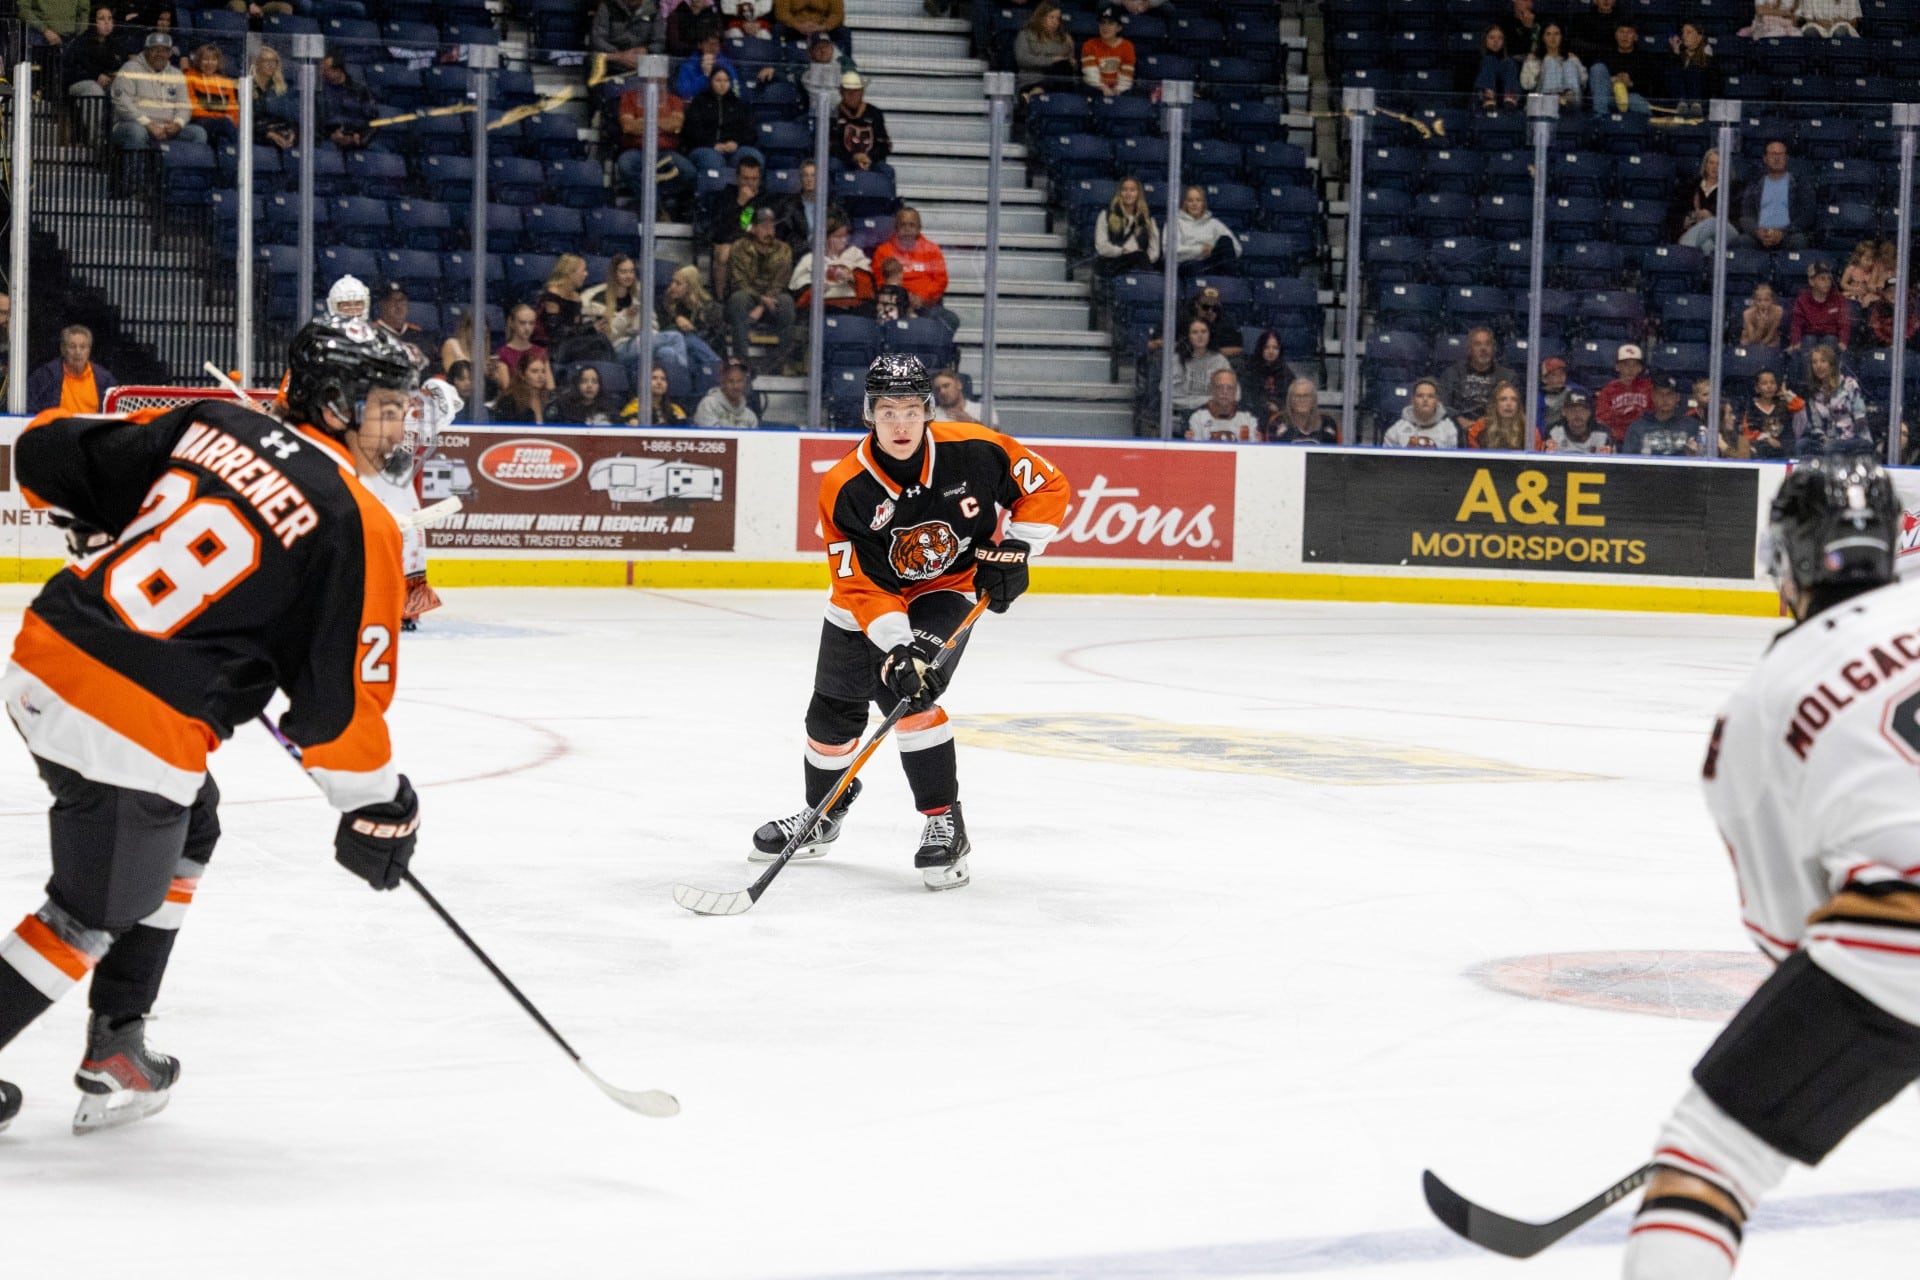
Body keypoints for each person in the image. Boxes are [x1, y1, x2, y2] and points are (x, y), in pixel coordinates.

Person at [0, 318, 422, 1136]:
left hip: (49, 653)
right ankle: (106, 1036)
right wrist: (379, 801)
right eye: (384, 408)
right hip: (129, 720)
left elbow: (51, 456)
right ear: (335, 405)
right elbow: (337, 712)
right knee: (92, 911)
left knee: (194, 826)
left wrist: (99, 523)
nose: (398, 427)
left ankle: (117, 1042)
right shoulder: (358, 522)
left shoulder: (219, 422)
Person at [1613, 456, 1920, 1280]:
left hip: (1904, 937)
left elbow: (1790, 932)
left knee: (1708, 1160)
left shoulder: (1757, 707)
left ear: (1785, 560)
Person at [752, 353, 1070, 892]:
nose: (899, 424)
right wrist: (895, 644)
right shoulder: (845, 485)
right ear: (868, 415)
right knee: (830, 717)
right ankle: (822, 813)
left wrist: (1017, 546)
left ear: (927, 410)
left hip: (947, 589)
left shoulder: (975, 447)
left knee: (913, 694)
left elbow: (1048, 485)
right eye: (886, 411)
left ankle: (944, 822)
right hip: (868, 602)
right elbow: (860, 583)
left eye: (909, 410)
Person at [368, 370, 458, 631]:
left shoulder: (414, 415)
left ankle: (402, 607)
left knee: (410, 537)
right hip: (378, 479)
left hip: (394, 480)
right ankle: (393, 605)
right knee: (401, 538)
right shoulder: (394, 409)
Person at [726, 207, 799, 372]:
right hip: (749, 295)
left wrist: (762, 304)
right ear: (753, 228)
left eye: (771, 226)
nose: (769, 231)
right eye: (764, 226)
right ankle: (741, 359)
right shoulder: (739, 247)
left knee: (786, 302)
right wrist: (760, 299)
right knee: (738, 299)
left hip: (772, 298)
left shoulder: (784, 249)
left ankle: (782, 361)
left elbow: (780, 282)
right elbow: (738, 281)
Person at [109, 33, 204, 152]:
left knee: (197, 133)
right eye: (155, 50)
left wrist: (177, 123)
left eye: (164, 50)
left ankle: (178, 171)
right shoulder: (130, 69)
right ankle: (137, 171)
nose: (159, 54)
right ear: (146, 51)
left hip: (167, 128)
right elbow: (122, 103)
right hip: (134, 125)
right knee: (137, 132)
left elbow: (185, 106)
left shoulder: (176, 74)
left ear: (170, 53)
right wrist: (148, 124)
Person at [871, 207, 959, 334]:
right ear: (896, 228)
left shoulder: (931, 250)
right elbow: (878, 281)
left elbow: (941, 281)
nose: (907, 229)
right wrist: (903, 297)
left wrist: (922, 298)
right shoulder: (883, 251)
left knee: (950, 319)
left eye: (912, 225)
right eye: (903, 225)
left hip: (925, 305)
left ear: (919, 228)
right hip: (894, 304)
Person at [614, 81, 692, 220]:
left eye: (660, 78)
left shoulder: (674, 100)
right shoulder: (630, 98)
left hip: (665, 152)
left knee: (688, 171)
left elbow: (676, 125)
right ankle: (659, 209)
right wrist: (663, 123)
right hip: (637, 150)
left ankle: (652, 201)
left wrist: (644, 121)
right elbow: (628, 127)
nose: (656, 81)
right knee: (625, 164)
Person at [655, 263, 727, 394]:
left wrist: (690, 331)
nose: (672, 287)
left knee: (688, 339)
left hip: (702, 356)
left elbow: (714, 341)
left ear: (690, 286)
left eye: (678, 283)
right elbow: (663, 335)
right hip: (683, 357)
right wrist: (676, 319)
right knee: (670, 348)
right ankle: (718, 367)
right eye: (672, 282)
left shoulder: (711, 308)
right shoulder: (666, 305)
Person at [1734, 139, 1816, 251]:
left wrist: (1782, 233)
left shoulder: (1799, 183)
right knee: (1743, 241)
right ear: (1765, 159)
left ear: (1786, 159)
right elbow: (1746, 215)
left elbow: (1807, 215)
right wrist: (1758, 232)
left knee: (1799, 241)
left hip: (1788, 235)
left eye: (1780, 154)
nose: (1777, 158)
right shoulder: (1755, 183)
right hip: (1761, 234)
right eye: (1773, 154)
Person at [708, 154, 768, 301]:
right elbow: (718, 232)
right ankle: (721, 300)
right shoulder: (726, 196)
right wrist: (739, 203)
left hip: (757, 242)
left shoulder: (765, 199)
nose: (750, 183)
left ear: (759, 180)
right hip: (730, 241)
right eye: (745, 178)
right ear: (737, 178)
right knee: (724, 253)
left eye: (754, 179)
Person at [1437, 326, 1518, 436]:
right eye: (1478, 344)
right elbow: (1442, 404)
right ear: (1469, 349)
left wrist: (1484, 425)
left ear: (1493, 348)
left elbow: (1514, 408)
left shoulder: (1507, 376)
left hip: (1495, 431)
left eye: (1487, 344)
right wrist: (1460, 420)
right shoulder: (1452, 373)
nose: (1483, 348)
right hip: (1458, 430)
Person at [680, 66, 760, 174]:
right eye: (718, 80)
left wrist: (736, 143)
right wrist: (713, 144)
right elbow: (692, 131)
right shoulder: (699, 102)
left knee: (753, 157)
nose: (722, 84)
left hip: (735, 148)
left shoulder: (739, 104)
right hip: (705, 147)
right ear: (711, 81)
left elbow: (750, 130)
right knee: (713, 160)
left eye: (726, 80)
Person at [791, 213, 874, 313]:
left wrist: (851, 277)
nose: (844, 240)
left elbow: (869, 290)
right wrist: (817, 290)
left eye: (845, 235)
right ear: (826, 238)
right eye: (838, 237)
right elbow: (800, 299)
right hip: (823, 309)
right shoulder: (810, 260)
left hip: (854, 308)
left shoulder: (855, 254)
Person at [27, 325, 117, 415]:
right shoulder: (46, 375)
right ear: (63, 349)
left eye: (83, 347)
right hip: (58, 428)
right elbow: (29, 406)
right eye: (72, 347)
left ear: (89, 350)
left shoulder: (104, 379)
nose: (78, 352)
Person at [1801, 342, 1870, 454]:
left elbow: (1860, 419)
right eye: (1814, 362)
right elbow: (1816, 425)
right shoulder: (1814, 393)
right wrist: (1824, 439)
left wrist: (1841, 439)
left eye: (1823, 361)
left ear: (1832, 364)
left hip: (1856, 439)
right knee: (1802, 445)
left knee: (1831, 447)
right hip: (1829, 440)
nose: (1818, 366)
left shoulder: (1849, 385)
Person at [1093, 175, 1160, 285]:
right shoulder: (1106, 215)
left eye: (1132, 190)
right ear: (1119, 193)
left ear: (1138, 193)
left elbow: (1154, 251)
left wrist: (1143, 258)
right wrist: (1122, 251)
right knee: (1139, 257)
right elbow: (1101, 247)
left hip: (1140, 263)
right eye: (1124, 190)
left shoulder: (1148, 219)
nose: (1128, 194)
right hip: (1114, 262)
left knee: (1140, 257)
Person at [831, 72, 893, 179]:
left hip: (871, 160)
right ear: (841, 92)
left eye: (856, 91)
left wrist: (869, 158)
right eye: (848, 91)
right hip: (844, 161)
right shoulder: (834, 115)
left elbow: (884, 145)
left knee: (887, 171)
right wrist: (853, 158)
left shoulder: (874, 113)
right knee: (832, 166)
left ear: (862, 92)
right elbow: (832, 146)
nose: (852, 95)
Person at [1167, 317, 1230, 424]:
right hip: (1180, 412)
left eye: (1204, 332)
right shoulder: (1176, 360)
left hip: (1211, 413)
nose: (1200, 336)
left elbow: (1233, 392)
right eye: (1195, 332)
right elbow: (1169, 394)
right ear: (1188, 336)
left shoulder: (1220, 361)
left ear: (1210, 335)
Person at [316, 47, 378, 153]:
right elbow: (315, 121)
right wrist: (331, 135)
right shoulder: (318, 91)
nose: (321, 73)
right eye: (320, 69)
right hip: (328, 138)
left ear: (338, 70)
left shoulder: (360, 90)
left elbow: (373, 120)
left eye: (325, 70)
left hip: (356, 138)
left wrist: (359, 138)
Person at [1173, 185, 1241, 279]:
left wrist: (1212, 250)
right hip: (1189, 265)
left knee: (1225, 240)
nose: (1194, 204)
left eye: (1198, 200)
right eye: (1190, 200)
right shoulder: (1176, 223)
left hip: (1211, 263)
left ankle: (1231, 283)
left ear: (1203, 203)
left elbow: (1237, 248)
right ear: (1184, 203)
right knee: (1194, 268)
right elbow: (1171, 252)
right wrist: (1200, 250)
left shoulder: (1214, 223)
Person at [1623, 372, 1699, 455]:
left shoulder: (1692, 426)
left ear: (1677, 397)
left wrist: (1695, 453)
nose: (1665, 399)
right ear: (1653, 397)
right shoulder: (1637, 428)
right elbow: (1628, 462)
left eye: (1669, 394)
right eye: (1660, 394)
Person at [1014, 1, 1077, 99]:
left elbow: (1070, 63)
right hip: (1031, 81)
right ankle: (1036, 91)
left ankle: (1036, 92)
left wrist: (1072, 62)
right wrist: (1051, 60)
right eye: (1051, 17)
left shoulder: (1065, 39)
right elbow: (1023, 59)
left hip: (1060, 85)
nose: (1055, 22)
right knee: (1060, 65)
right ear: (1041, 17)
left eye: (1058, 18)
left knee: (1063, 66)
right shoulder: (1026, 34)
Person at [1737, 369, 1805, 458]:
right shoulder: (1752, 409)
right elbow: (1748, 433)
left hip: (1785, 451)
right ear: (1757, 388)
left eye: (1772, 382)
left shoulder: (1783, 405)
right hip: (1763, 453)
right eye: (1764, 383)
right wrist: (1767, 438)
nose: (1769, 386)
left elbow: (1800, 406)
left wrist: (1786, 394)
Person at [1594, 342, 1653, 445]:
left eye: (1635, 365)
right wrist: (1621, 415)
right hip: (1617, 439)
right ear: (1617, 367)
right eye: (1626, 365)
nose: (1630, 369)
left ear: (1640, 368)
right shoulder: (1608, 391)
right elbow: (1601, 418)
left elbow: (1654, 413)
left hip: (1643, 437)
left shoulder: (1648, 387)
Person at [181, 42, 238, 149]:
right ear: (199, 61)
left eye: (213, 60)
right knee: (225, 125)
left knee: (231, 130)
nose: (209, 63)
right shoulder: (190, 76)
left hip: (222, 124)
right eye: (205, 59)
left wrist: (225, 119)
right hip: (198, 121)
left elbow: (233, 110)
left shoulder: (225, 82)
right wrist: (219, 117)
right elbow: (193, 108)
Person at [64, 5, 126, 101]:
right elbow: (76, 69)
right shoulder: (82, 41)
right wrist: (96, 76)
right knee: (95, 90)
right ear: (93, 22)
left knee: (120, 91)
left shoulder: (114, 44)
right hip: (80, 82)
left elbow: (117, 66)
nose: (107, 22)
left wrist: (112, 75)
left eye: (110, 19)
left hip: (106, 83)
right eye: (101, 19)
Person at [1520, 21, 1584, 110]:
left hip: (1570, 104)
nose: (1553, 38)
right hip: (1542, 103)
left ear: (1561, 37)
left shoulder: (1571, 58)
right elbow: (1526, 85)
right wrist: (1537, 66)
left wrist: (1576, 64)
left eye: (1556, 34)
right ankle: (1554, 96)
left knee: (1570, 63)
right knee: (1549, 60)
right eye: (1548, 34)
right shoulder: (1534, 58)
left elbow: (1583, 82)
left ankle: (1567, 97)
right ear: (1543, 37)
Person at [372, 283, 434, 372]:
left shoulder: (418, 333)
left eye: (402, 300)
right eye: (392, 301)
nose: (398, 305)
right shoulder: (373, 333)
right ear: (382, 305)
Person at [1671, 148, 1724, 252]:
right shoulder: (1692, 186)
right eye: (1711, 163)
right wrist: (1686, 219)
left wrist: (1711, 215)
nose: (1714, 167)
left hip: (1718, 234)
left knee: (1710, 228)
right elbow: (1676, 211)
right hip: (1694, 230)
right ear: (1705, 165)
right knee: (1707, 244)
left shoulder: (1730, 189)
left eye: (1718, 164)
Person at [1790, 258, 1849, 349]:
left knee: (1831, 340)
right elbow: (1796, 325)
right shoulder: (1802, 300)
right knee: (1809, 340)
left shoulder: (1839, 298)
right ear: (1812, 281)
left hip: (1831, 337)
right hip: (1809, 336)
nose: (1827, 282)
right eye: (1822, 279)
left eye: (1829, 278)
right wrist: (1796, 342)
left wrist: (1843, 341)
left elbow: (1844, 324)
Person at [1239, 329, 1295, 424]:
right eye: (1267, 347)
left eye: (1275, 348)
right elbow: (1246, 396)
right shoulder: (1249, 368)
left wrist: (1278, 405)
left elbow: (1291, 395)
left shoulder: (1285, 371)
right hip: (1253, 415)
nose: (1271, 351)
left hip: (1280, 416)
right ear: (1260, 348)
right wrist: (1265, 405)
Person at [1186, 369, 1260, 442]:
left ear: (1235, 391)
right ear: (1212, 390)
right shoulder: (1198, 418)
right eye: (1220, 387)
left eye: (1229, 388)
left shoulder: (1248, 419)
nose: (1225, 392)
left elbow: (1253, 451)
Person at [1382, 379, 1458, 448]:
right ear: (1412, 400)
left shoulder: (1449, 430)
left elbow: (1452, 462)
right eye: (1420, 396)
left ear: (1436, 401)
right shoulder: (1396, 431)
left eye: (1430, 396)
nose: (1425, 399)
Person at [488, 352, 557, 425]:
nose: (540, 376)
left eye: (543, 371)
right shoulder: (509, 401)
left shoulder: (551, 400)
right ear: (522, 374)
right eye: (534, 371)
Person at [249, 44, 297, 150]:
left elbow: (291, 117)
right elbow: (248, 122)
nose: (271, 64)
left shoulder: (283, 89)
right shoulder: (247, 88)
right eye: (266, 61)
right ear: (256, 63)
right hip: (257, 135)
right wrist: (269, 134)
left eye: (274, 61)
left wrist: (292, 132)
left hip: (281, 131)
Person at [1081, 6, 1135, 99]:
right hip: (1095, 88)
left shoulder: (1127, 46)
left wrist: (1118, 89)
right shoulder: (1089, 45)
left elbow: (1127, 74)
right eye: (1102, 23)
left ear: (1118, 28)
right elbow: (1090, 73)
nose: (1105, 27)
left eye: (1110, 23)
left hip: (1118, 90)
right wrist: (1103, 87)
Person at [592, 0, 660, 73]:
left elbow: (659, 42)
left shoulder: (654, 9)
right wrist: (620, 55)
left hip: (641, 61)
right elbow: (597, 39)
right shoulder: (608, 6)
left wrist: (646, 50)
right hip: (612, 60)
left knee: (661, 65)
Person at [1666, 20, 1717, 114]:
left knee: (1694, 69)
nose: (1684, 36)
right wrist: (1676, 52)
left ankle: (1695, 104)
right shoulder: (1678, 56)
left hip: (1701, 100)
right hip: (1679, 100)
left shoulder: (1707, 56)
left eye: (1688, 32)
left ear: (1699, 37)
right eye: (1683, 32)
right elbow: (1670, 78)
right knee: (1676, 71)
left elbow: (1712, 82)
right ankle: (1682, 103)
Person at [674, 30, 741, 100]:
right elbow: (684, 92)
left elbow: (736, 91)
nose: (712, 47)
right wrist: (705, 75)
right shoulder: (688, 65)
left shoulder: (727, 65)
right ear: (700, 45)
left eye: (716, 44)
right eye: (708, 43)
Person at [1267, 378, 1339, 444]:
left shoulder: (1327, 423)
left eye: (1306, 396)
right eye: (1297, 396)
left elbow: (1335, 454)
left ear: (1314, 399)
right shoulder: (1277, 422)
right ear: (1290, 400)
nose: (1302, 400)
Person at [695, 359, 760, 427]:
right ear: (722, 382)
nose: (735, 386)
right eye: (730, 381)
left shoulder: (750, 416)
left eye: (739, 381)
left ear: (745, 383)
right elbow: (712, 436)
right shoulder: (709, 405)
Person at [1468, 380, 1530, 450]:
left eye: (1514, 399)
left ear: (1518, 405)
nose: (1509, 404)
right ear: (1495, 404)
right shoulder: (1481, 426)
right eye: (1503, 399)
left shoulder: (1529, 429)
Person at [1472, 25, 1521, 111]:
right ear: (1485, 40)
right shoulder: (1475, 59)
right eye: (1491, 38)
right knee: (1489, 60)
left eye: (1500, 38)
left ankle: (1510, 96)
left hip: (1506, 101)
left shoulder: (1509, 63)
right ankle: (1488, 96)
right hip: (1479, 100)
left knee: (1509, 62)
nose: (1496, 41)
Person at [1543, 389, 1609, 452]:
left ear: (1590, 412)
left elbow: (1606, 462)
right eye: (1572, 410)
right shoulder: (1553, 431)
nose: (1577, 414)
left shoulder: (1602, 433)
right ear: (1564, 411)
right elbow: (1549, 461)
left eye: (1582, 410)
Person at [931, 368, 997, 427]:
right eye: (937, 389)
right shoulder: (932, 417)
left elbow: (996, 436)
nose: (942, 392)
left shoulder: (983, 410)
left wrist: (972, 422)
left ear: (959, 385)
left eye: (946, 386)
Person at [1740, 281, 1784, 349]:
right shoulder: (1747, 314)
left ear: (1772, 300)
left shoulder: (1778, 311)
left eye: (1766, 300)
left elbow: (1771, 333)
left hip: (1770, 342)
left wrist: (1762, 346)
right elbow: (1752, 340)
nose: (1762, 303)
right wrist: (1761, 326)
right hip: (1749, 342)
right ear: (1755, 301)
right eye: (1759, 300)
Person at [1796, 0, 1861, 37]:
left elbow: (1854, 23)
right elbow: (1808, 20)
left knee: (1839, 32)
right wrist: (1819, 22)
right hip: (1818, 26)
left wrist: (1843, 20)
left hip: (1842, 26)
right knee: (1810, 32)